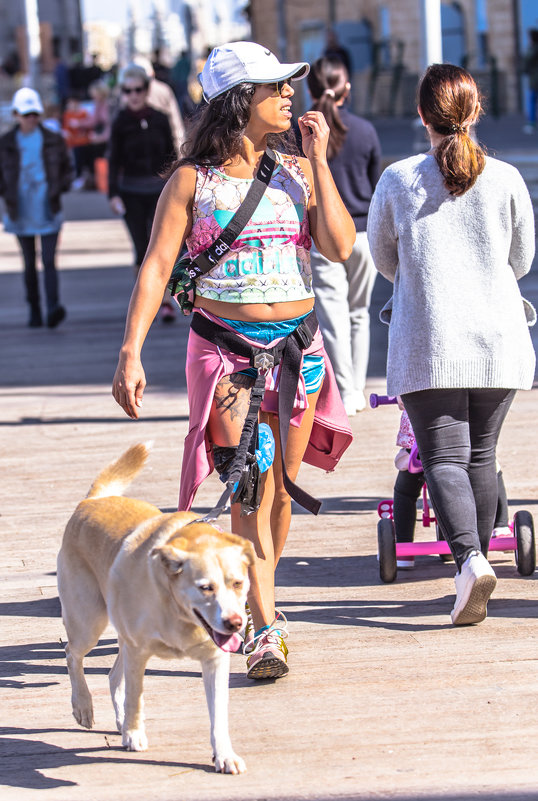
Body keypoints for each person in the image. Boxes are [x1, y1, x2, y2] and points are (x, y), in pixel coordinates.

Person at [112, 41, 355, 679]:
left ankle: (255, 602)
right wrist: (131, 349)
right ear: (237, 101)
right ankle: (265, 623)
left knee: (279, 490)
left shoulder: (296, 172)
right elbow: (158, 267)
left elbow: (339, 246)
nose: (288, 95)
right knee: (249, 482)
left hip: (299, 350)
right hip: (227, 353)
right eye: (274, 87)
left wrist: (321, 164)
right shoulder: (193, 181)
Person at [367, 63, 535, 626]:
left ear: (422, 115)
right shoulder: (508, 178)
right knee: (481, 457)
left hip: (430, 339)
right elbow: (523, 261)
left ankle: (468, 561)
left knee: (442, 457)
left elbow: (385, 261)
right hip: (500, 340)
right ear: (476, 109)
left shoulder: (398, 180)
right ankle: (478, 557)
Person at [307, 57, 382, 415]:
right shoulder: (366, 130)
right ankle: (357, 390)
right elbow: (373, 180)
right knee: (359, 314)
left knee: (332, 314)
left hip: (324, 235)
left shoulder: (302, 132)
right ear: (346, 90)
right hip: (363, 233)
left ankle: (346, 393)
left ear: (309, 90)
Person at [108, 64, 177, 321]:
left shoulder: (160, 118)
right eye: (128, 91)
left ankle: (167, 301)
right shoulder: (120, 122)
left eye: (138, 90)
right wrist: (112, 193)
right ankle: (144, 304)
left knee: (161, 246)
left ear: (147, 90)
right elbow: (114, 159)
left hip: (159, 189)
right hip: (131, 191)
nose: (133, 95)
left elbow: (172, 155)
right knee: (140, 248)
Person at [0, 88, 73, 328]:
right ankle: (34, 309)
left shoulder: (53, 139)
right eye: (26, 114)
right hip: (19, 211)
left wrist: (60, 186)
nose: (31, 118)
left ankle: (53, 307)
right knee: (29, 262)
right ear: (16, 114)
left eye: (34, 114)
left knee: (50, 260)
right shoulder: (6, 143)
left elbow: (67, 168)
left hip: (48, 207)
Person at [523, 29, 538, 134]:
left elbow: (527, 60)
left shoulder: (534, 49)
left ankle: (532, 122)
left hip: (535, 80)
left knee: (532, 101)